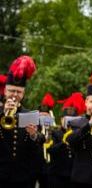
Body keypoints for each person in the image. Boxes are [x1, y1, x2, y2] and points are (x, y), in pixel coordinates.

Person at [0, 56, 43, 188]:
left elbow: (41, 140)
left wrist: (33, 135)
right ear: (5, 91)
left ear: (23, 94)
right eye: (12, 90)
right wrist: (2, 113)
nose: (15, 94)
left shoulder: (30, 115)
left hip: (24, 176)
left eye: (19, 91)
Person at [46, 92, 85, 188]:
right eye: (67, 119)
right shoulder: (55, 132)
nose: (69, 122)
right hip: (58, 174)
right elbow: (50, 149)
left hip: (75, 174)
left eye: (73, 119)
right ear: (62, 119)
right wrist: (64, 142)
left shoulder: (79, 133)